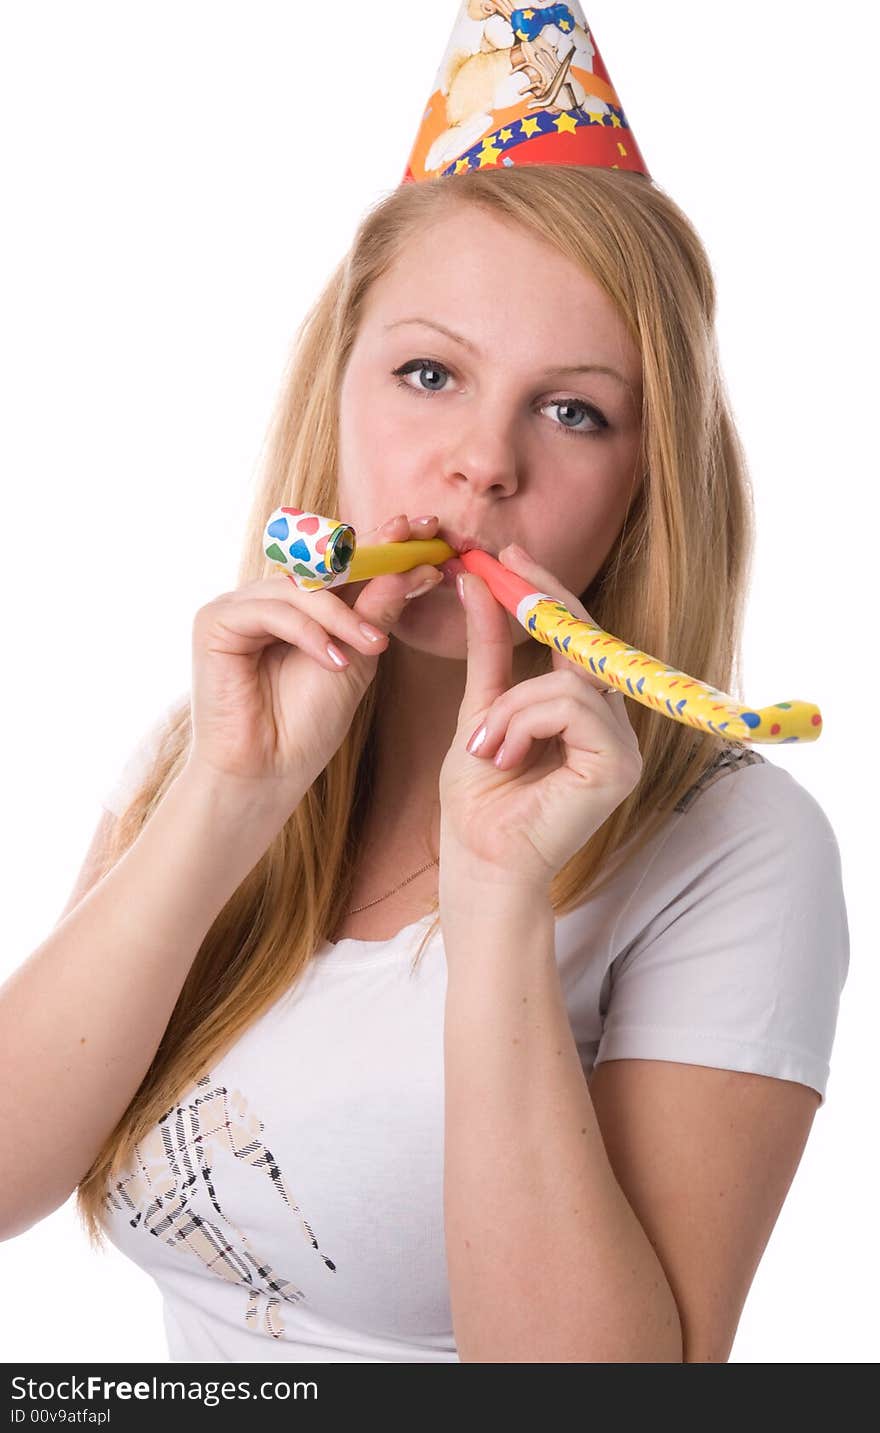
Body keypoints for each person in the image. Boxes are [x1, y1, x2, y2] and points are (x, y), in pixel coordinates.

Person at [0, 2, 849, 1364]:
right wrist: (229, 798)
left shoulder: (742, 849)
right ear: (337, 398)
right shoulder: (209, 738)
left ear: (643, 489)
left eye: (572, 410)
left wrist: (499, 906)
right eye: (429, 373)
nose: (482, 464)